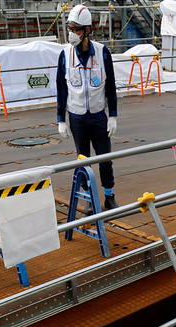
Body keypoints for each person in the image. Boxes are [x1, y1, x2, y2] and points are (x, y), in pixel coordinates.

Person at [56, 4, 119, 211]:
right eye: (69, 28)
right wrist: (61, 119)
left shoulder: (102, 53)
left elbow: (110, 86)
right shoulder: (65, 55)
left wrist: (113, 116)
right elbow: (61, 89)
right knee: (83, 161)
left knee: (104, 159)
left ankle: (109, 197)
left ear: (87, 31)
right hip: (77, 118)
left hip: (99, 116)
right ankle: (89, 200)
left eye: (76, 29)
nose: (71, 33)